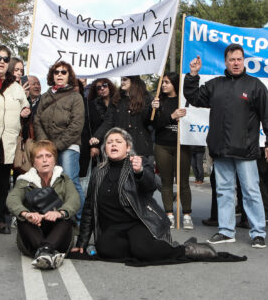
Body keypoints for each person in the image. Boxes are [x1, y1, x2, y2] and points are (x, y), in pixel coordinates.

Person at [183, 44, 268, 249]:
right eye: (231, 60)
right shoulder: (215, 84)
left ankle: (258, 233)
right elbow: (194, 97)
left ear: (243, 61)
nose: (236, 63)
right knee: (224, 191)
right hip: (220, 149)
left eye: (239, 59)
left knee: (251, 192)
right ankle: (226, 231)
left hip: (246, 151)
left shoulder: (255, 85)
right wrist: (193, 75)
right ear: (225, 62)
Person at [72, 128, 217, 263]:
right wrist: (82, 243)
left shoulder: (139, 163)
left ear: (128, 147)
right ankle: (144, 248)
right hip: (112, 228)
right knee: (105, 250)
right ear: (105, 148)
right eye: (109, 142)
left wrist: (139, 172)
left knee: (142, 250)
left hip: (138, 223)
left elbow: (150, 186)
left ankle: (185, 249)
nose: (113, 145)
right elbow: (89, 208)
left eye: (118, 141)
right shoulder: (98, 172)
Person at [6, 140, 81, 269]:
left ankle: (44, 250)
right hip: (34, 234)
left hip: (59, 235)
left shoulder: (64, 179)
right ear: (34, 163)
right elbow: (12, 199)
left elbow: (74, 199)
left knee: (65, 218)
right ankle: (47, 251)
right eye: (39, 157)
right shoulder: (25, 181)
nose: (45, 160)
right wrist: (27, 214)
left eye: (48, 156)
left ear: (54, 160)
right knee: (22, 219)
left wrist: (59, 212)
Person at [0, 45, 30, 235]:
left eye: (5, 59)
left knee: (2, 185)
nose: (1, 62)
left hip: (7, 143)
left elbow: (25, 111)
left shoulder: (16, 87)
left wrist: (25, 114)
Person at [33, 61, 85, 204]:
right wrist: (46, 144)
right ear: (52, 76)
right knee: (50, 183)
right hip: (48, 148)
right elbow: (37, 119)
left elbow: (76, 125)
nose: (60, 75)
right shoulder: (45, 96)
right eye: (56, 72)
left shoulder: (76, 97)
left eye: (63, 72)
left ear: (69, 76)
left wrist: (56, 146)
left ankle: (80, 221)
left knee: (70, 182)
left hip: (69, 147)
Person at [153, 72, 192, 229]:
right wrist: (169, 116)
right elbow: (154, 125)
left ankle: (187, 215)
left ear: (175, 84)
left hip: (181, 145)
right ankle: (169, 214)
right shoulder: (157, 101)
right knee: (166, 182)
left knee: (183, 182)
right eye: (162, 82)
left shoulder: (183, 100)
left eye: (167, 82)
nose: (163, 85)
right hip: (162, 145)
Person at [92, 76, 154, 161]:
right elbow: (108, 121)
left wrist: (154, 109)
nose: (122, 82)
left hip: (141, 148)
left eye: (125, 80)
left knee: (142, 173)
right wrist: (97, 136)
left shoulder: (146, 98)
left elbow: (149, 121)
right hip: (121, 148)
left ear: (133, 81)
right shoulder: (116, 99)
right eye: (121, 80)